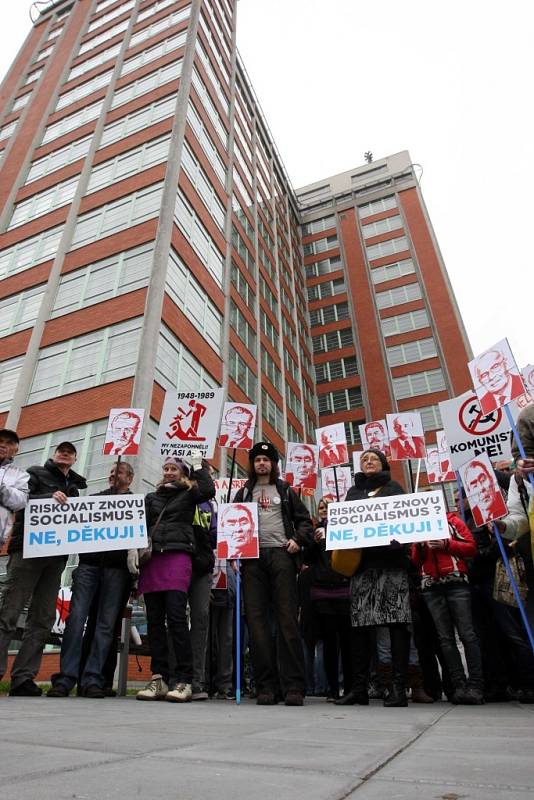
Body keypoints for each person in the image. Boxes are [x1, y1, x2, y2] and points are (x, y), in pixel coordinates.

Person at [0, 442, 87, 696]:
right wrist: (47, 498)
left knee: (42, 618)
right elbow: (19, 501)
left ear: (74, 459)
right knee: (9, 612)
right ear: (54, 454)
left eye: (70, 452)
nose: (65, 454)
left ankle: (23, 678)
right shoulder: (35, 473)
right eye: (61, 450)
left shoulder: (75, 487)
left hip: (55, 558)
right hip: (27, 552)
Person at [129, 455, 214, 702]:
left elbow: (208, 489)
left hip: (178, 556)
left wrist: (199, 466)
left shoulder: (189, 494)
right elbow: (138, 525)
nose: (168, 472)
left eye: (173, 469)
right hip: (153, 559)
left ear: (183, 473)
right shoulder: (151, 498)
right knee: (155, 620)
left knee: (176, 617)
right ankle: (159, 678)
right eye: (165, 468)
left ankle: (184, 680)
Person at [233, 442, 314, 706]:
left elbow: (305, 521)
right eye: (257, 460)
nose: (262, 464)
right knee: (256, 623)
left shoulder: (286, 490)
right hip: (252, 560)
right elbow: (231, 524)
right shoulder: (244, 492)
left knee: (287, 621)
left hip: (282, 556)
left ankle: (293, 687)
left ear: (273, 464)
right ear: (252, 464)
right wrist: (234, 553)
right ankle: (265, 686)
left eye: (266, 459)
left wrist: (298, 540)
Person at [47, 461, 134, 698]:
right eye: (112, 472)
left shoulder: (137, 504)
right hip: (88, 565)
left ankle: (93, 679)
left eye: (120, 472)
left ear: (130, 479)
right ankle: (65, 679)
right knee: (75, 620)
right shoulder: (93, 499)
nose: (114, 475)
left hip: (117, 570)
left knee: (105, 625)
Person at [336, 449, 411, 708]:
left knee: (396, 624)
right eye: (364, 459)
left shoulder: (394, 488)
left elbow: (406, 521)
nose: (368, 462)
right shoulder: (353, 493)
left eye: (373, 459)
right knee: (360, 627)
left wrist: (399, 543)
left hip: (391, 565)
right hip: (362, 567)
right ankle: (359, 689)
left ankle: (398, 688)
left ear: (383, 465)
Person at [411, 513, 484, 704]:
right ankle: (459, 685)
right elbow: (415, 561)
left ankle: (476, 685)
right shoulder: (419, 526)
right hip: (431, 587)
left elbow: (471, 547)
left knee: (467, 635)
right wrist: (418, 547)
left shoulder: (453, 521)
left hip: (456, 582)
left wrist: (446, 544)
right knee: (445, 639)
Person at [305, 497, 352, 701]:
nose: (324, 510)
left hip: (344, 589)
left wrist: (333, 534)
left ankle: (350, 686)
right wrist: (315, 543)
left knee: (348, 642)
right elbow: (307, 560)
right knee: (329, 643)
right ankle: (333, 688)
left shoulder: (346, 528)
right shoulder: (315, 532)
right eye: (321, 508)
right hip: (323, 592)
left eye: (328, 507)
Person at [0, 428, 28, 546]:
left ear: (16, 450)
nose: (2, 445)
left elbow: (20, 502)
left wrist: (2, 489)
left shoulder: (20, 474)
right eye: (0, 441)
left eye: (9, 443)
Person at [474, 348, 525, 413]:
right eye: (484, 375)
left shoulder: (526, 383)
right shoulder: (483, 405)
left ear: (505, 363)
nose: (491, 377)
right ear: (480, 382)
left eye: (495, 367)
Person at [464, 459, 507, 526]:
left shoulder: (510, 498)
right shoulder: (473, 517)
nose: (482, 488)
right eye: (474, 485)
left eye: (483, 479)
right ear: (469, 491)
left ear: (491, 478)